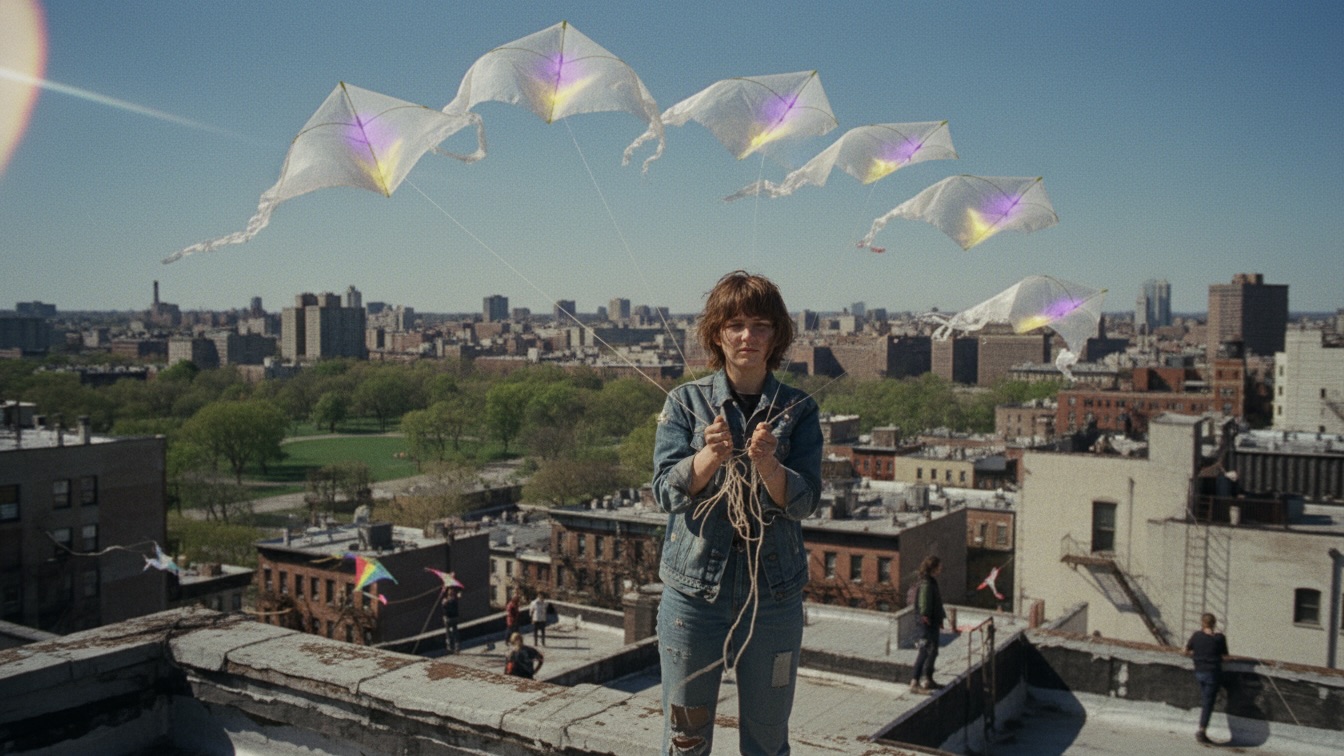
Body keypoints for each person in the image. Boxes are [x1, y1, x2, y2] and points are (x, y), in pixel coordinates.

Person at [653, 271, 823, 755]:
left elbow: (806, 501)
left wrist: (769, 466)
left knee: (768, 740)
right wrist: (708, 457)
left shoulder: (798, 410)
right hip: (693, 598)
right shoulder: (685, 402)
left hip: (774, 597)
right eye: (736, 325)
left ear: (776, 336)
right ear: (717, 333)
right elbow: (665, 492)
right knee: (685, 739)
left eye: (761, 325)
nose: (748, 336)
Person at [1185, 612, 1229, 744]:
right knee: (1208, 703)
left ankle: (1202, 729)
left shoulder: (1196, 635)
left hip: (1199, 671)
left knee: (1206, 699)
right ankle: (1202, 730)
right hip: (1212, 673)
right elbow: (1225, 655)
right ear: (1214, 623)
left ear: (1202, 623)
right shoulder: (1219, 638)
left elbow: (1186, 650)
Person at [910, 555, 947, 693]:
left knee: (933, 651)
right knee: (924, 650)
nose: (941, 569)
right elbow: (924, 604)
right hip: (926, 624)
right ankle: (914, 682)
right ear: (933, 568)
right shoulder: (926, 583)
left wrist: (939, 619)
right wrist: (926, 617)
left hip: (933, 622)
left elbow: (936, 603)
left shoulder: (931, 582)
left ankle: (928, 680)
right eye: (939, 566)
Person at [441, 586, 461, 654]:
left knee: (452, 632)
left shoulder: (453, 599)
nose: (450, 591)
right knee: (450, 633)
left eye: (451, 590)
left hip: (452, 618)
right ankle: (451, 647)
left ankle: (454, 647)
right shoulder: (448, 599)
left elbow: (446, 606)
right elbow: (444, 608)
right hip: (449, 617)